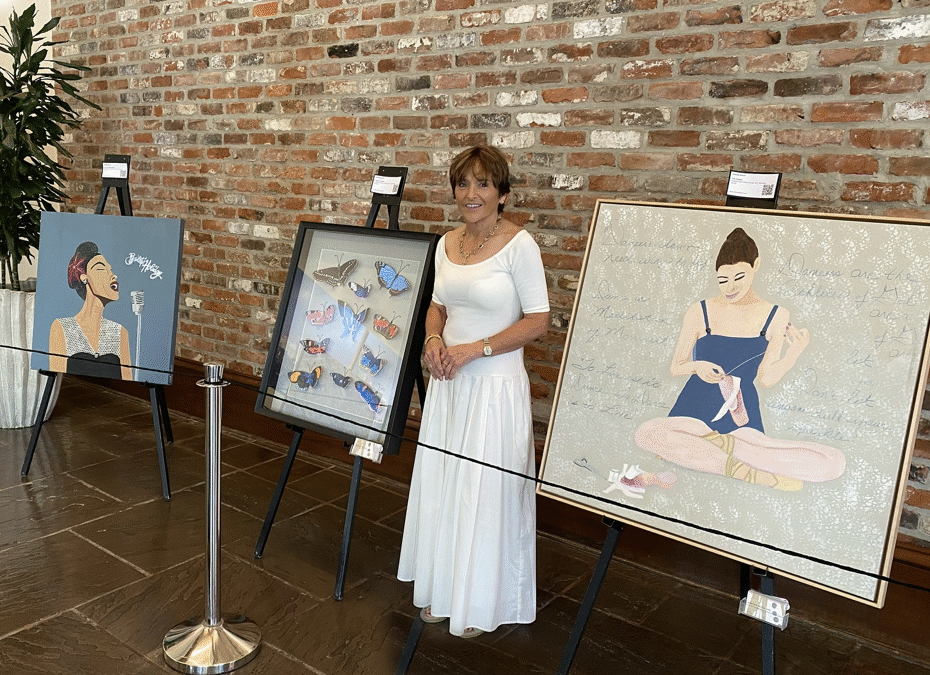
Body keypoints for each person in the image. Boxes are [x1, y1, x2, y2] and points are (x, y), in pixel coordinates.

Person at [397, 145, 550, 638]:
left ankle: (480, 601)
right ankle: (444, 587)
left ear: (502, 193)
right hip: (449, 386)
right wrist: (433, 340)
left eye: (483, 183)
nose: (471, 193)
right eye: (463, 183)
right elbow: (438, 304)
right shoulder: (447, 243)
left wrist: (474, 350)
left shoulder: (520, 245)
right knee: (448, 487)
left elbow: (538, 321)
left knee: (484, 494)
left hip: (494, 389)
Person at [635, 228, 845, 490]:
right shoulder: (700, 311)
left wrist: (794, 353)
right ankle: (748, 470)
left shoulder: (776, 314)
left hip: (740, 419)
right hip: (693, 411)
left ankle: (719, 449)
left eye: (739, 277)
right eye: (722, 280)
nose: (730, 287)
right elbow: (676, 367)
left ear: (756, 266)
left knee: (833, 463)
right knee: (647, 434)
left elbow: (766, 379)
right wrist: (697, 366)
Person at [48, 241, 132, 380]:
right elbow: (57, 377)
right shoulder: (61, 328)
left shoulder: (120, 332)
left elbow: (128, 381)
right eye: (101, 269)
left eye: (111, 270)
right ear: (84, 278)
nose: (113, 275)